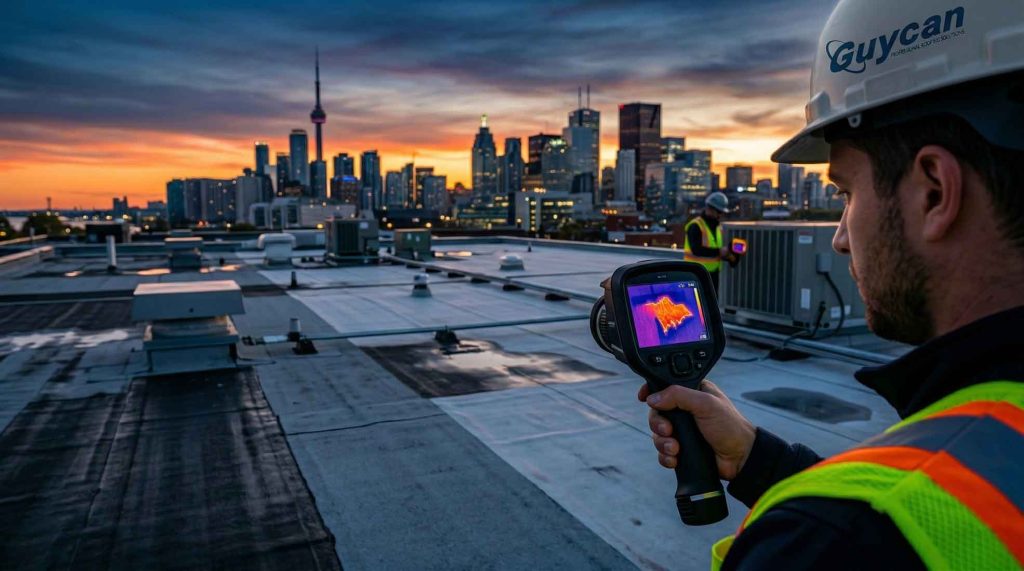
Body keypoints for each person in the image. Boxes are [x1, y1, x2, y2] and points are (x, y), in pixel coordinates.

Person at [642, 0, 1024, 568]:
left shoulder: (827, 543)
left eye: (846, 193)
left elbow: (881, 523)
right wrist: (756, 461)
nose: (840, 237)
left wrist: (807, 520)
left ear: (934, 193)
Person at [684, 192, 737, 293]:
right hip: (696, 274)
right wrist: (719, 252)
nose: (720, 215)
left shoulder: (718, 227)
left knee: (711, 304)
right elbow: (696, 249)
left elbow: (716, 248)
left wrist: (729, 256)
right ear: (710, 209)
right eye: (719, 212)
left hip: (713, 275)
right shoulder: (696, 225)